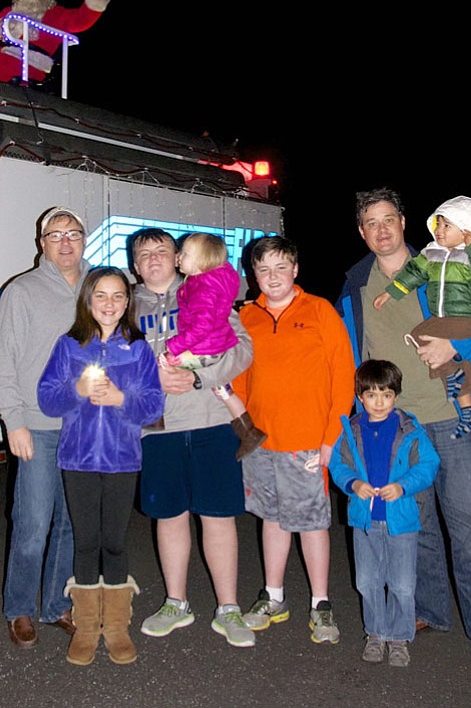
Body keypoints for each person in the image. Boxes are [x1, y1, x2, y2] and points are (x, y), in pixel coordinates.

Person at [336, 187, 471, 679]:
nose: (381, 229)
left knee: (468, 531)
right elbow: (342, 356)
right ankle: (432, 612)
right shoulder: (355, 286)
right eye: (370, 222)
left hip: (450, 417)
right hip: (396, 431)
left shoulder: (442, 264)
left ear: (403, 221)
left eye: (388, 218)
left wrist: (456, 351)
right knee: (417, 531)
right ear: (362, 231)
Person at [129, 228, 257, 649]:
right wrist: (153, 377)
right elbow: (110, 362)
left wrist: (198, 377)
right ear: (134, 264)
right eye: (142, 253)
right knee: (170, 517)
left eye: (161, 250)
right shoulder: (126, 304)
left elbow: (242, 348)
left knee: (218, 516)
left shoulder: (206, 288)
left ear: (178, 256)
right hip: (158, 428)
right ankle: (176, 602)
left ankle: (228, 608)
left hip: (209, 421)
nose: (152, 258)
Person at [37, 267, 164, 666]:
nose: (109, 304)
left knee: (115, 541)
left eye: (118, 296)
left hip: (122, 460)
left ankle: (117, 626)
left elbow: (154, 406)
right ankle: (87, 627)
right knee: (85, 540)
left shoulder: (139, 349)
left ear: (127, 303)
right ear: (88, 301)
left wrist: (121, 399)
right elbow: (47, 399)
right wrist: (77, 390)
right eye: (101, 296)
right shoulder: (69, 346)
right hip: (77, 459)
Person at [232, 235, 356, 644]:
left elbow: (344, 376)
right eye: (263, 269)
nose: (272, 277)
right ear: (254, 274)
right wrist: (244, 433)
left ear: (295, 270)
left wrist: (330, 439)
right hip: (262, 442)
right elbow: (240, 381)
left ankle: (321, 604)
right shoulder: (247, 316)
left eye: (280, 267)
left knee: (311, 524)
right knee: (271, 518)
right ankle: (274, 596)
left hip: (307, 440)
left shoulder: (319, 311)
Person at [0, 206, 90, 649]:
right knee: (32, 522)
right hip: (38, 426)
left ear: (84, 239)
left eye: (74, 233)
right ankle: (20, 608)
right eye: (55, 235)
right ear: (41, 243)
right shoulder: (22, 291)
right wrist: (14, 420)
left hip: (85, 428)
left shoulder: (98, 288)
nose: (65, 242)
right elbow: (1, 360)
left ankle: (57, 606)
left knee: (72, 523)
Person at [329, 359, 440, 667]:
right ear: (360, 396)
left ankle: (399, 637)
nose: (379, 402)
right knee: (367, 580)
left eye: (387, 394)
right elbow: (338, 465)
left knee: (403, 583)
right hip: (365, 520)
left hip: (401, 520)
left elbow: (429, 465)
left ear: (396, 396)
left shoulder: (410, 429)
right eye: (372, 395)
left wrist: (404, 486)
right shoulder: (351, 430)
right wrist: (352, 483)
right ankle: (376, 633)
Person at [373, 195, 471, 439]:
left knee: (444, 349)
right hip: (444, 318)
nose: (439, 230)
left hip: (469, 315)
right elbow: (414, 273)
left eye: (446, 225)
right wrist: (390, 293)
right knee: (419, 335)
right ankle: (462, 396)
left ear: (466, 229)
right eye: (438, 224)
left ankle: (462, 397)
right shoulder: (432, 253)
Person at [163, 232, 267, 459]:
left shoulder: (202, 288)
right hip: (216, 344)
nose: (179, 257)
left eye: (186, 254)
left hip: (206, 347)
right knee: (220, 387)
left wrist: (175, 346)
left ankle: (154, 416)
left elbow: (201, 327)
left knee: (166, 366)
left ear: (202, 262)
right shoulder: (213, 279)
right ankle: (248, 430)